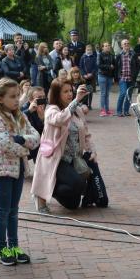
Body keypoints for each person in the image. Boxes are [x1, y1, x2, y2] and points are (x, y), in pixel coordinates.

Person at [0, 78, 39, 266]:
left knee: (14, 211)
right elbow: (4, 144)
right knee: (4, 211)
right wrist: (25, 148)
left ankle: (14, 246)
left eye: (18, 96)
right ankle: (1, 250)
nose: (17, 100)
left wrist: (21, 139)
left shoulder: (20, 116)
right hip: (2, 170)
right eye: (12, 97)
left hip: (18, 169)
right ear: (0, 98)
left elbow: (36, 137)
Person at [32, 78, 94, 212]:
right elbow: (60, 119)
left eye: (71, 90)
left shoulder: (77, 110)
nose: (70, 94)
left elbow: (86, 133)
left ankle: (53, 189)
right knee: (77, 182)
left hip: (74, 158)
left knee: (73, 204)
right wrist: (76, 100)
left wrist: (92, 151)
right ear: (56, 94)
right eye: (65, 91)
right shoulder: (51, 109)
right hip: (56, 158)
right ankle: (44, 193)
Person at [116, 39, 139, 117]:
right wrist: (117, 77)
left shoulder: (133, 54)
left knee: (129, 94)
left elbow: (138, 65)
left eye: (128, 43)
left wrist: (135, 75)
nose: (126, 45)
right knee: (123, 93)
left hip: (131, 78)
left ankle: (126, 111)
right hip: (122, 77)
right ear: (122, 45)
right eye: (124, 44)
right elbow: (116, 67)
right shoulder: (119, 55)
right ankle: (119, 111)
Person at [97, 42, 115, 117]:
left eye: (108, 46)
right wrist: (109, 66)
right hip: (102, 76)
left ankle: (107, 110)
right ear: (103, 47)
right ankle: (102, 110)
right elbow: (99, 65)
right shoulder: (100, 55)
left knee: (107, 94)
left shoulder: (111, 55)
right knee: (103, 93)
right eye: (106, 46)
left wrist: (114, 76)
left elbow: (114, 65)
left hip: (110, 76)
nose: (108, 47)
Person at [79, 44, 97, 109]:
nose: (89, 51)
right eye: (88, 50)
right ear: (85, 50)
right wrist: (84, 74)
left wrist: (91, 73)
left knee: (90, 91)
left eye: (90, 50)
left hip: (91, 77)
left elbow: (95, 67)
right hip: (85, 77)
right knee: (84, 90)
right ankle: (85, 104)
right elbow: (81, 67)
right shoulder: (83, 57)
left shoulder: (94, 57)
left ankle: (89, 104)